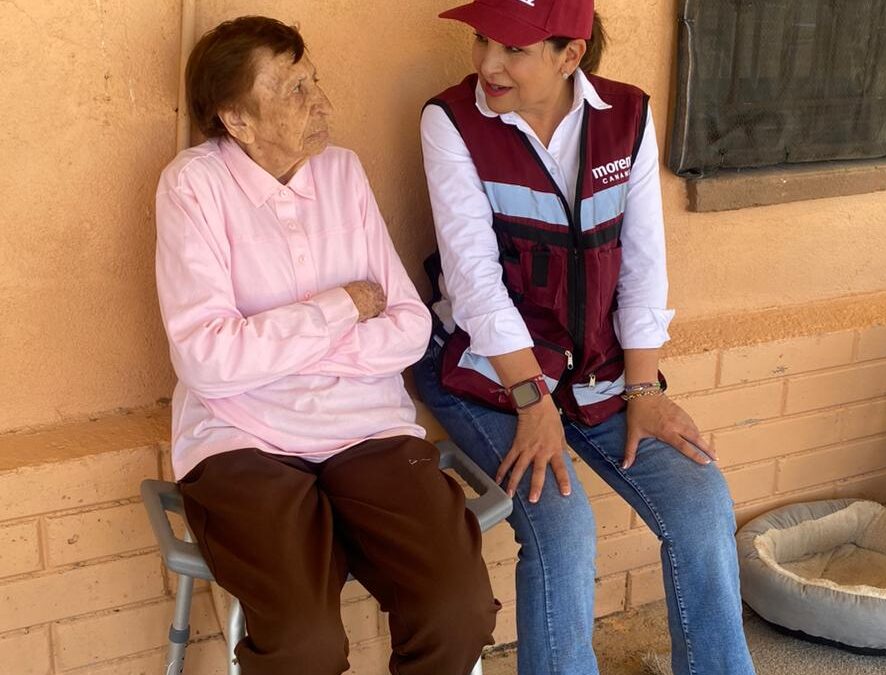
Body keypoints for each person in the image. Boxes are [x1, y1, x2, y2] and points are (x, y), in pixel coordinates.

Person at [414, 2, 756, 674]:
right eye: (483, 39)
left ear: (570, 56)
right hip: (488, 373)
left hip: (598, 372)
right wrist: (530, 400)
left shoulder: (626, 117)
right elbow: (474, 281)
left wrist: (642, 386)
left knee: (700, 497)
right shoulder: (451, 121)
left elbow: (643, 262)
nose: (487, 63)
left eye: (513, 49)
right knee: (564, 528)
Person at [154, 16, 499, 675]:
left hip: (365, 427)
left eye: (312, 79)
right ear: (236, 119)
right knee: (303, 643)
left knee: (457, 607)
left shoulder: (341, 172)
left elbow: (406, 327)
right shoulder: (192, 186)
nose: (319, 102)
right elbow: (206, 359)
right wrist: (340, 308)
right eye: (291, 89)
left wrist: (278, 346)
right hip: (240, 437)